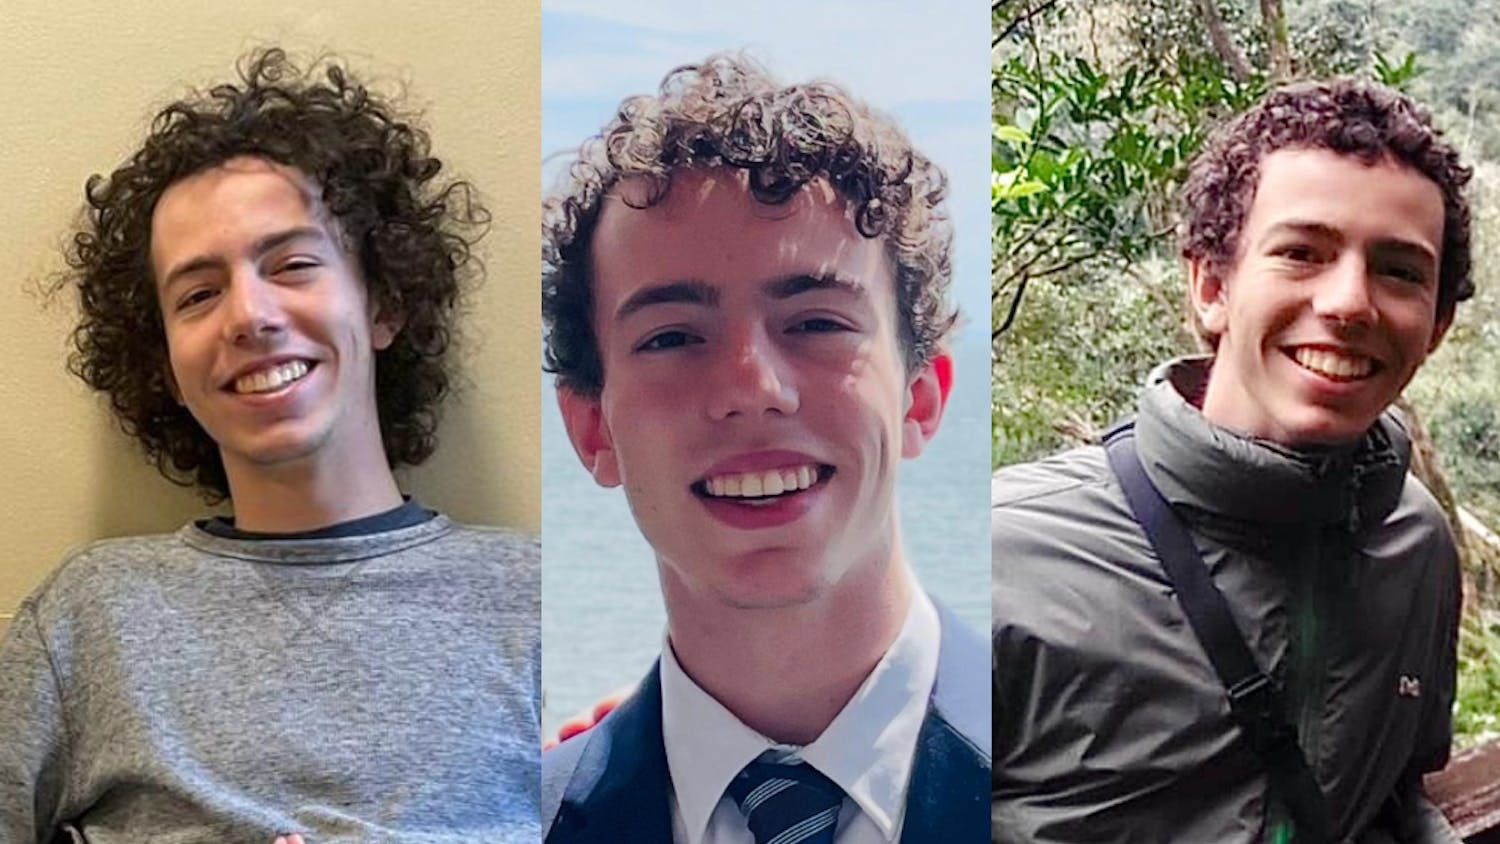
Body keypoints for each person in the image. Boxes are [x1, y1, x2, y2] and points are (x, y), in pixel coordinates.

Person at [0, 49, 540, 843]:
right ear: (168, 368)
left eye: (292, 265)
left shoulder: (535, 604)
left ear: (383, 305)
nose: (249, 316)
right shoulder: (87, 618)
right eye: (198, 294)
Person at [992, 78, 1473, 843]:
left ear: (1437, 324)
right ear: (1211, 286)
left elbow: (1395, 793)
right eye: (1301, 253)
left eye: (1400, 270)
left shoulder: (1412, 543)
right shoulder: (1007, 557)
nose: (1350, 303)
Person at [540, 53, 990, 842]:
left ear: (922, 397)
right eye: (673, 336)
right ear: (590, 428)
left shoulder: (1096, 769)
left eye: (817, 323)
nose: (752, 387)